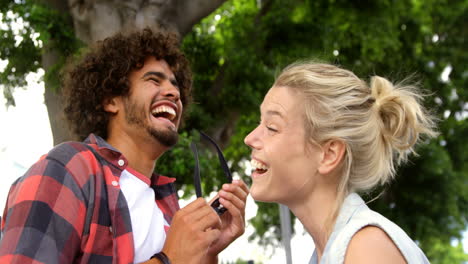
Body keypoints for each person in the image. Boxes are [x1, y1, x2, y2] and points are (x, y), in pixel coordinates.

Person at [0, 28, 249, 264]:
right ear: (111, 100)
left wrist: (205, 254)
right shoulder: (69, 168)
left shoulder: (167, 209)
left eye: (175, 85)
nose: (174, 93)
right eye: (154, 80)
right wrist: (168, 258)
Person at [244, 61, 436, 264]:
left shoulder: (366, 250)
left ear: (328, 154)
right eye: (260, 123)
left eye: (272, 127)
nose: (249, 138)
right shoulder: (332, 251)